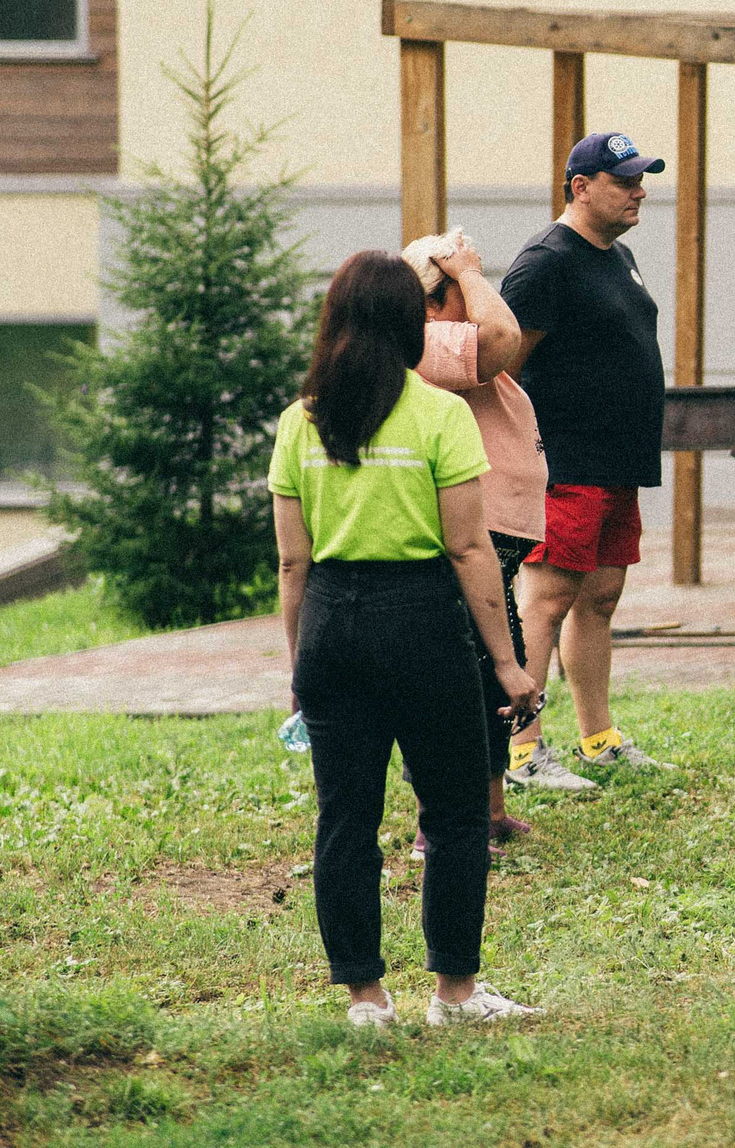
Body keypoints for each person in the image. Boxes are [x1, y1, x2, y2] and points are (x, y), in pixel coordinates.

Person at [271, 251, 543, 1028]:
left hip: (330, 620)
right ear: (409, 326)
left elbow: (294, 559)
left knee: (344, 818)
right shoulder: (439, 415)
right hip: (422, 622)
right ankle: (454, 992)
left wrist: (302, 663)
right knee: (457, 813)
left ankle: (365, 998)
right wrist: (505, 662)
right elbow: (469, 550)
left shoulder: (301, 421)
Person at [500, 131, 671, 787]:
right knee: (546, 600)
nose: (640, 190)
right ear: (580, 187)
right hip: (565, 461)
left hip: (615, 460)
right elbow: (504, 366)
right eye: (625, 180)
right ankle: (522, 749)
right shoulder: (546, 261)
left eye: (641, 178)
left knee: (599, 595)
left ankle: (597, 738)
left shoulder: (617, 254)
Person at [401, 232, 543, 854]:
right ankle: (441, 823)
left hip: (498, 535)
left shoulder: (448, 343)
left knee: (490, 671)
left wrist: (467, 278)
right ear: (435, 301)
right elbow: (505, 341)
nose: (481, 293)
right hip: (472, 532)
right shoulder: (428, 342)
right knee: (460, 676)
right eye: (465, 288)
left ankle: (487, 812)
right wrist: (465, 269)